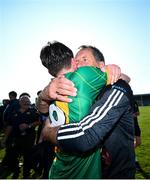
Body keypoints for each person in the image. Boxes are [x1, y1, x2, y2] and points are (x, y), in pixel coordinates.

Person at [40, 45, 135, 179]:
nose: (78, 65)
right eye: (76, 61)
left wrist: (47, 131)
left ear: (101, 65)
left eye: (84, 59)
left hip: (115, 173)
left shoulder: (115, 88)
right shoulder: (74, 86)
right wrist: (44, 94)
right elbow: (42, 107)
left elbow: (84, 137)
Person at [133, 99, 142, 171]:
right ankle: (135, 162)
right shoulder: (124, 100)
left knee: (138, 142)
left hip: (136, 125)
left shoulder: (134, 101)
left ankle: (128, 152)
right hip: (128, 125)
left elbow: (138, 113)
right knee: (130, 143)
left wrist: (134, 114)